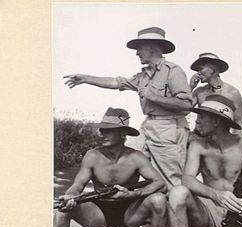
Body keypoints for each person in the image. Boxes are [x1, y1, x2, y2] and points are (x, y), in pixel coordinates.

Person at [64, 27, 193, 189]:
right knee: (124, 157)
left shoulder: (173, 72)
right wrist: (85, 78)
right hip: (148, 125)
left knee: (169, 181)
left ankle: (170, 209)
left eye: (139, 48)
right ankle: (121, 202)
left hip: (169, 128)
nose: (137, 53)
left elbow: (186, 105)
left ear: (152, 47)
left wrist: (154, 97)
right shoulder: (144, 75)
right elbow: (117, 82)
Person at [53, 108, 167, 227]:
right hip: (98, 213)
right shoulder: (92, 156)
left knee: (159, 200)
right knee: (62, 211)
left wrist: (133, 194)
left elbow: (160, 183)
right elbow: (78, 186)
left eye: (108, 131)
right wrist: (70, 197)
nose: (102, 134)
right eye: (102, 130)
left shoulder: (136, 157)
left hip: (130, 213)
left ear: (123, 133)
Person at [168, 95, 242, 227]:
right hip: (210, 209)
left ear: (215, 121)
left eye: (201, 117)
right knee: (177, 193)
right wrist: (217, 195)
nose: (197, 121)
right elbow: (187, 179)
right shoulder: (198, 145)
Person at [189, 52, 242, 135]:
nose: (198, 73)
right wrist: (190, 87)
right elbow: (182, 111)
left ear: (212, 69)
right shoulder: (199, 91)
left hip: (221, 142)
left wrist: (237, 145)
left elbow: (238, 121)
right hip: (199, 139)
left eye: (201, 69)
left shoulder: (232, 93)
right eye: (197, 70)